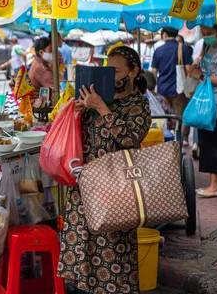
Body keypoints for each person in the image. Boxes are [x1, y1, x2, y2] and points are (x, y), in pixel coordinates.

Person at [58, 45, 151, 294]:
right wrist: (76, 112)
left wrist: (101, 108)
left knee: (113, 255)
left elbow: (131, 140)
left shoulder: (138, 105)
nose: (112, 75)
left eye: (117, 71)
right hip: (85, 186)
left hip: (116, 190)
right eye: (108, 69)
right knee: (82, 252)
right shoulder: (95, 98)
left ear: (133, 72)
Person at [188, 24, 217, 198]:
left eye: (209, 33)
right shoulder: (208, 46)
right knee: (206, 142)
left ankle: (215, 186)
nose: (206, 36)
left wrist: (201, 76)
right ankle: (213, 184)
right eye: (203, 34)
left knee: (213, 143)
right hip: (207, 101)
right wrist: (197, 65)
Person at [151, 27, 192, 144]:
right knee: (180, 117)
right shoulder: (183, 49)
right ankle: (180, 140)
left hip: (162, 89)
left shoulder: (158, 50)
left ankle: (168, 141)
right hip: (180, 90)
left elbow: (154, 70)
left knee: (164, 117)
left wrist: (158, 82)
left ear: (164, 35)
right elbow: (188, 69)